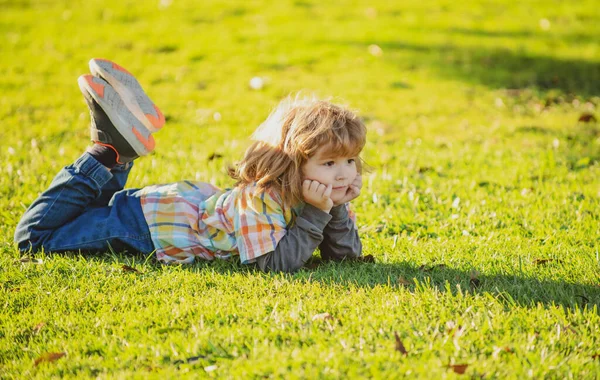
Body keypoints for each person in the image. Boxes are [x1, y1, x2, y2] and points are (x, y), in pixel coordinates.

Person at [14, 59, 367, 273]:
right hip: (148, 227)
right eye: (330, 163)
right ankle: (104, 153)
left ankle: (114, 149)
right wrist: (318, 214)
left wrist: (333, 209)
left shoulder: (317, 196)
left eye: (350, 161)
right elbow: (272, 266)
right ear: (292, 164)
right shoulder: (262, 199)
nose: (344, 173)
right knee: (33, 238)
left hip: (166, 211)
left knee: (83, 212)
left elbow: (345, 258)